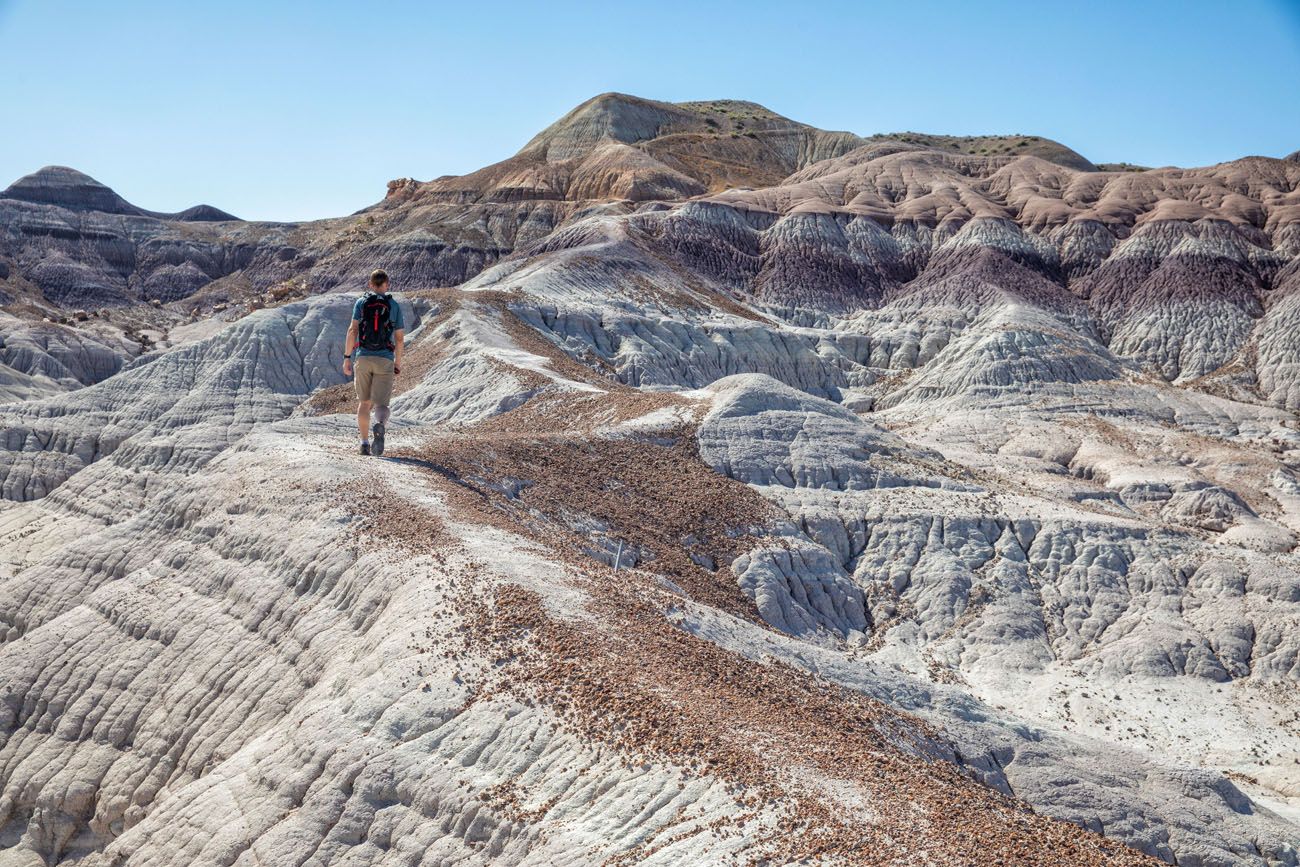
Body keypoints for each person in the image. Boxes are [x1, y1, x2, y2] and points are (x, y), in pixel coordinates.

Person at [342, 269, 404, 456]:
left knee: (364, 402)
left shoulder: (361, 303)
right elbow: (399, 338)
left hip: (363, 357)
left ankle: (364, 443)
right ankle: (379, 425)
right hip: (384, 358)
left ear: (370, 284)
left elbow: (353, 330)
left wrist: (347, 358)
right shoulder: (393, 305)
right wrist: (397, 362)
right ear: (387, 284)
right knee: (381, 405)